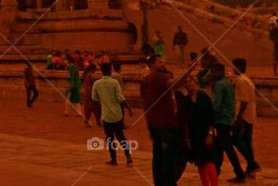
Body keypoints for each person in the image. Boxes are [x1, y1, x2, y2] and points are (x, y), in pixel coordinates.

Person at [141, 55, 188, 186]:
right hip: (164, 126)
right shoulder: (157, 77)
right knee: (169, 157)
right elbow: (175, 84)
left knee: (158, 156)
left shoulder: (146, 79)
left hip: (155, 124)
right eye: (160, 62)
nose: (163, 64)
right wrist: (188, 72)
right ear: (152, 64)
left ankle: (160, 182)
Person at [210, 62, 245, 183]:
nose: (212, 74)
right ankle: (217, 170)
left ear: (219, 71)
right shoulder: (227, 83)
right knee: (219, 147)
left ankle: (239, 173)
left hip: (221, 120)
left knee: (227, 148)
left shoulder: (220, 85)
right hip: (228, 119)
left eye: (213, 72)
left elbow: (217, 105)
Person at [92, 62, 132, 166]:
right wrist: (128, 107)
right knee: (121, 136)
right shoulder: (115, 83)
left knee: (110, 138)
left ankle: (113, 159)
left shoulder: (97, 83)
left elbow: (94, 97)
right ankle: (128, 155)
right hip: (117, 114)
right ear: (110, 70)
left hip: (106, 115)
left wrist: (103, 98)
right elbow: (120, 97)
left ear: (101, 71)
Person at [182, 74, 218, 186]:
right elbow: (186, 121)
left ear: (194, 82)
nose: (189, 84)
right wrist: (187, 138)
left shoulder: (204, 97)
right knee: (200, 162)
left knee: (209, 160)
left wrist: (210, 134)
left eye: (190, 81)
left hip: (205, 132)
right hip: (194, 135)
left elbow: (211, 117)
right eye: (186, 82)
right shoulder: (186, 101)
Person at [231, 58, 261, 178]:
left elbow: (244, 101)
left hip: (244, 116)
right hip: (250, 114)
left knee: (236, 139)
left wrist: (238, 116)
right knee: (247, 142)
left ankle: (253, 164)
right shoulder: (247, 79)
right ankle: (251, 167)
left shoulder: (241, 81)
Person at [81, 63, 101, 127]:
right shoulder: (90, 75)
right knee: (93, 107)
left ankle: (96, 121)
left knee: (93, 107)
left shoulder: (86, 74)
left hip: (87, 92)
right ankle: (94, 121)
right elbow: (90, 85)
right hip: (90, 92)